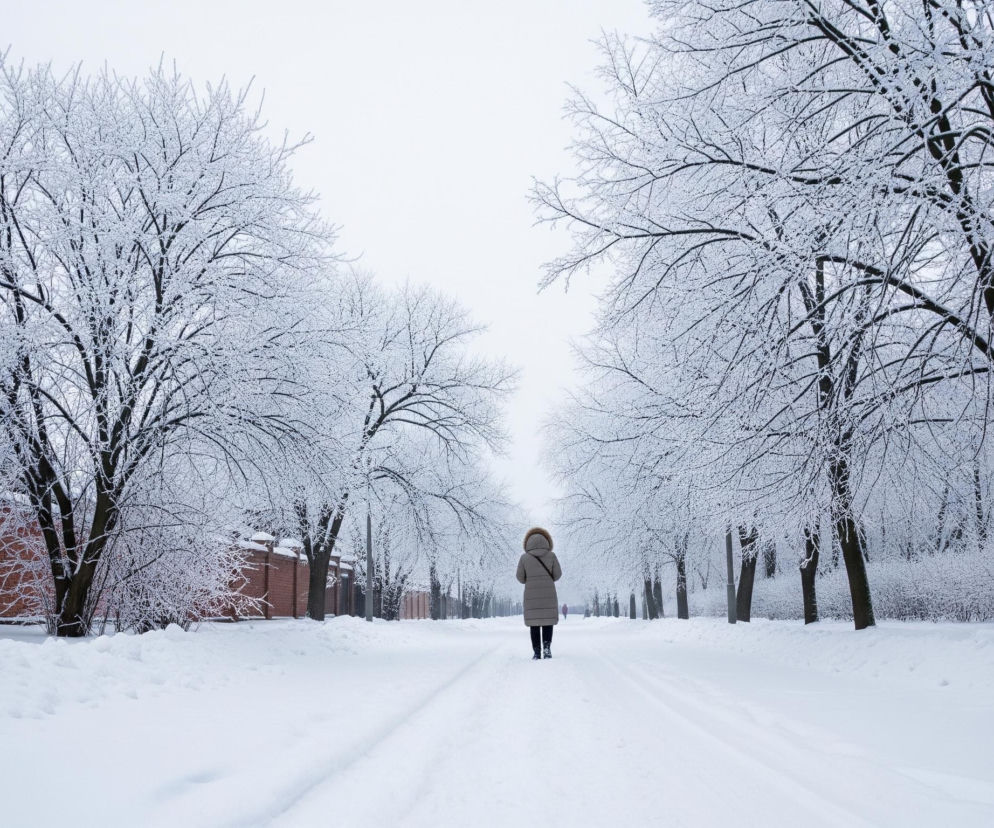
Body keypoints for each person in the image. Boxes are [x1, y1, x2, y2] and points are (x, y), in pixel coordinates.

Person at [516, 527, 562, 659]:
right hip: (548, 594)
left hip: (531, 596)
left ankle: (536, 652)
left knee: (534, 623)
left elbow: (520, 578)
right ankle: (547, 649)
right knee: (548, 621)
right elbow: (558, 575)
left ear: (527, 542)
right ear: (547, 541)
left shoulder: (524, 558)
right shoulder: (551, 556)